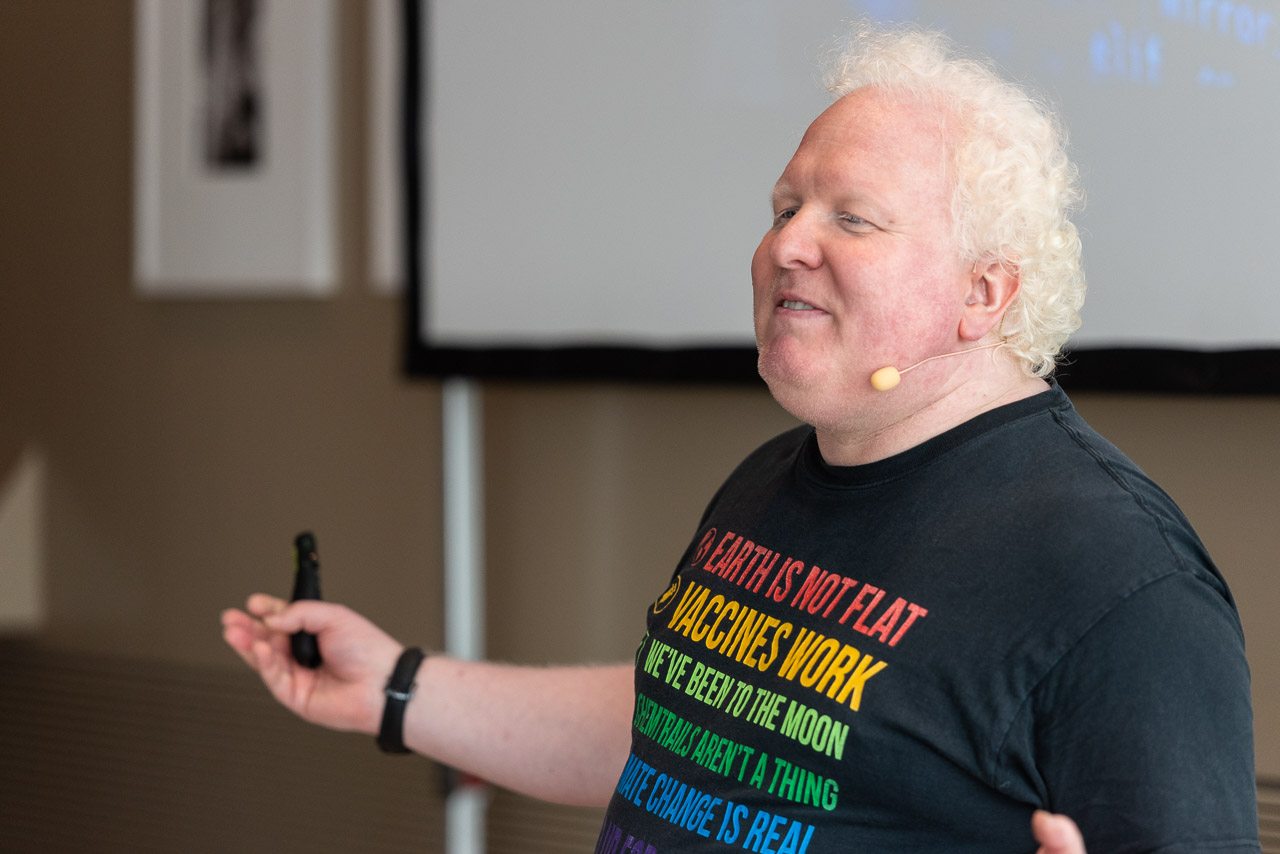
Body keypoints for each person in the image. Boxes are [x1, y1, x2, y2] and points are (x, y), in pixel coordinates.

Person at [222, 22, 1259, 852]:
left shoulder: (1118, 582)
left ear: (981, 293)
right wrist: (399, 687)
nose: (785, 244)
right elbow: (680, 728)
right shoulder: (778, 475)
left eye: (851, 219)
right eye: (784, 207)